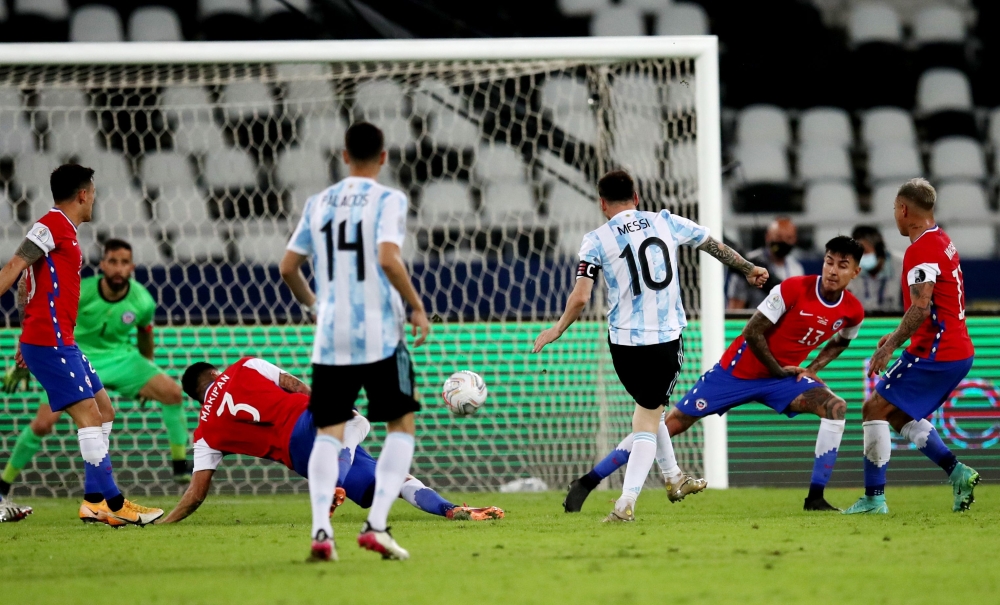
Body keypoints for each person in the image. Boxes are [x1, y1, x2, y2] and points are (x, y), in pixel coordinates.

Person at [533, 170, 768, 522]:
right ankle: (626, 503)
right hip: (664, 339)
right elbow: (710, 244)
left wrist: (557, 328)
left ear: (602, 204)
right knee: (647, 418)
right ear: (637, 197)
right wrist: (747, 268)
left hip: (623, 344)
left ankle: (673, 477)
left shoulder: (595, 240)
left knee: (649, 410)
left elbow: (580, 298)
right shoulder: (665, 221)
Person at [565, 237, 866, 512]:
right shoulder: (792, 289)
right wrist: (778, 370)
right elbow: (752, 332)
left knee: (836, 407)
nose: (833, 270)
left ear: (855, 272)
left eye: (842, 265)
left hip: (782, 379)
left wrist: (813, 369)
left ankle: (815, 499)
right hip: (736, 373)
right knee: (666, 426)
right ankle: (587, 482)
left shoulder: (853, 310)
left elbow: (842, 341)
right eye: (829, 261)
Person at [280, 122, 431, 561]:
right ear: (383, 157)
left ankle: (321, 532)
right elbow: (388, 259)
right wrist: (416, 306)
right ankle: (376, 526)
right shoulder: (389, 199)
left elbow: (288, 267)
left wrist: (314, 306)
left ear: (344, 156)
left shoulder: (319, 202)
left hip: (331, 335)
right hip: (380, 332)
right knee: (400, 426)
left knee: (329, 432)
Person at [0, 164, 162, 526]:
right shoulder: (51, 225)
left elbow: (27, 282)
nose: (94, 200)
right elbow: (14, 267)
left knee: (105, 410)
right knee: (89, 416)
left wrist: (24, 333)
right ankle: (115, 504)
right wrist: (29, 335)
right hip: (50, 341)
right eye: (94, 193)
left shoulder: (65, 233)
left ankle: (93, 502)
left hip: (60, 340)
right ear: (84, 194)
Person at [159, 358, 502, 525]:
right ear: (215, 372)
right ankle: (335, 483)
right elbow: (294, 385)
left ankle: (451, 509)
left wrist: (164, 523)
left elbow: (196, 494)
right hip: (309, 419)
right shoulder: (243, 366)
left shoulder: (204, 433)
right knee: (357, 420)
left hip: (300, 458)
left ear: (196, 399)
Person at [0, 238, 190, 505]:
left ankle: (181, 466)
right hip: (77, 356)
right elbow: (46, 322)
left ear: (132, 267)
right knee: (43, 423)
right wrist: (21, 362)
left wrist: (146, 370)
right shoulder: (82, 291)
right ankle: (4, 481)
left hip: (122, 359)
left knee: (173, 393)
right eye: (113, 262)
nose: (118, 268)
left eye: (124, 263)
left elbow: (145, 336)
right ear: (103, 265)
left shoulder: (143, 301)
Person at [844, 179, 979, 515]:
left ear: (904, 209)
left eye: (894, 208)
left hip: (938, 350)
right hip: (954, 348)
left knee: (873, 409)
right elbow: (930, 305)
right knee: (897, 413)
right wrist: (894, 334)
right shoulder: (941, 240)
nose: (895, 214)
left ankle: (874, 499)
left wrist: (890, 345)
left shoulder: (920, 250)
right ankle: (958, 473)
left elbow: (921, 306)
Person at [726, 217, 804, 310]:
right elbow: (735, 309)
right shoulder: (748, 263)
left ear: (795, 239)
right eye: (778, 237)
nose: (783, 242)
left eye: (789, 238)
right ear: (768, 237)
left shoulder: (796, 268)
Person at [847, 225, 903, 312]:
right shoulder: (850, 269)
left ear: (879, 251)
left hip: (895, 318)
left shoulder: (902, 266)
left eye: (865, 251)